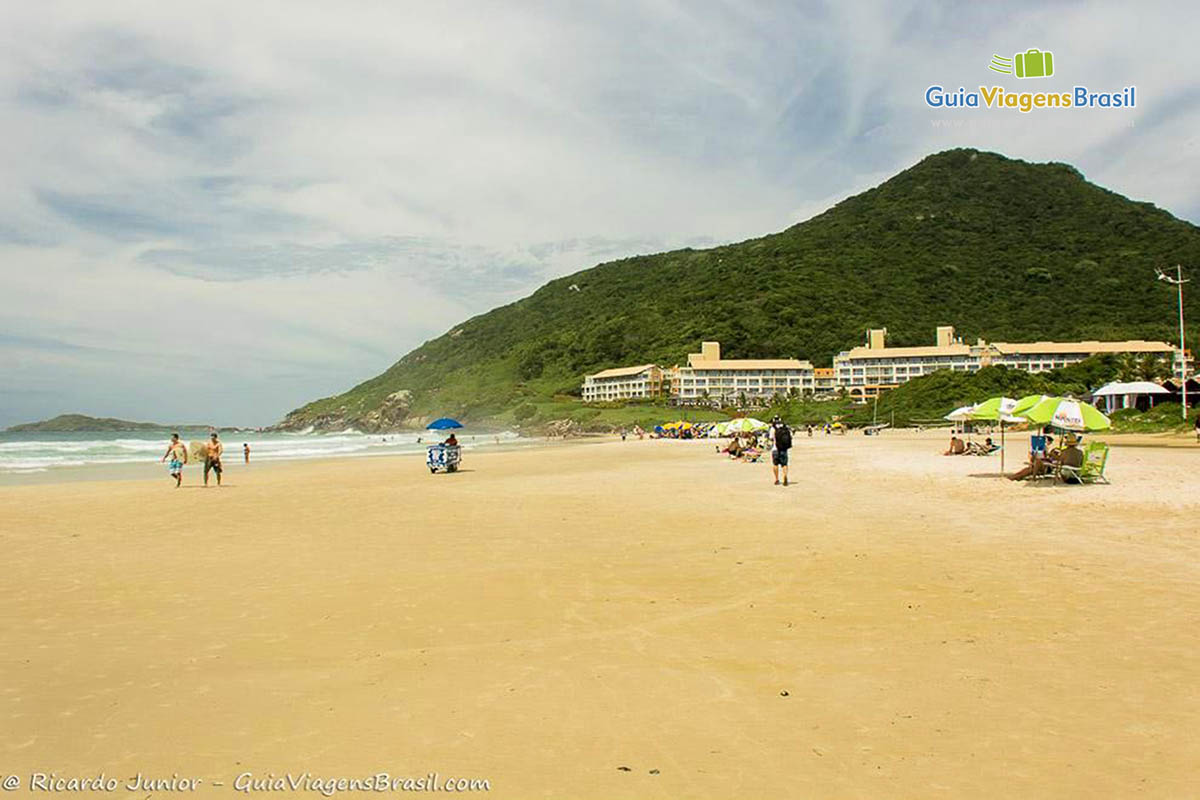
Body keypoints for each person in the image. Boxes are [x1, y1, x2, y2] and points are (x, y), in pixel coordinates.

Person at [769, 415, 792, 486]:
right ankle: (785, 475)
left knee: (775, 464)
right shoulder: (785, 427)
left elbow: (771, 438)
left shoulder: (773, 428)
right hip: (784, 449)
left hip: (775, 449)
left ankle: (776, 479)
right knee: (784, 464)